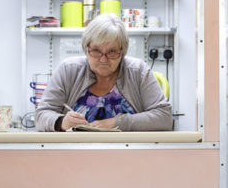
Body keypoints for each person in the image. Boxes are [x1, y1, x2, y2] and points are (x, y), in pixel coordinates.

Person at [36, 13, 172, 131]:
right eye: (96, 51)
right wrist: (62, 122)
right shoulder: (68, 69)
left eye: (112, 51)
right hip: (75, 150)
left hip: (129, 150)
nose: (103, 59)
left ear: (122, 52)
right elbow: (41, 115)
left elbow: (164, 117)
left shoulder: (138, 71)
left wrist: (118, 122)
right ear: (86, 49)